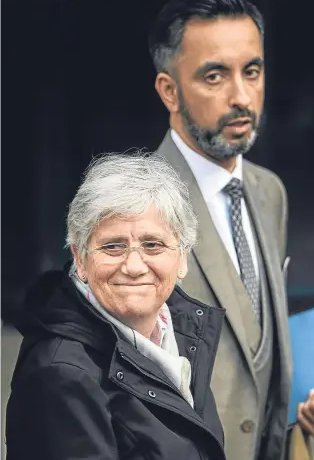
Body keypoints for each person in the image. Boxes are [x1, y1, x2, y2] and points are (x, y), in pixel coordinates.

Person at [149, 0, 314, 459]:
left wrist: (309, 405)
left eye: (252, 71)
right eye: (214, 76)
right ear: (169, 91)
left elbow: (256, 349)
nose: (242, 97)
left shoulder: (268, 191)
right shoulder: (135, 208)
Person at [5, 153, 227, 460]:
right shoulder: (61, 374)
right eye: (113, 246)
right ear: (80, 259)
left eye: (153, 244)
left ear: (183, 258)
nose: (134, 266)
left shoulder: (181, 334)